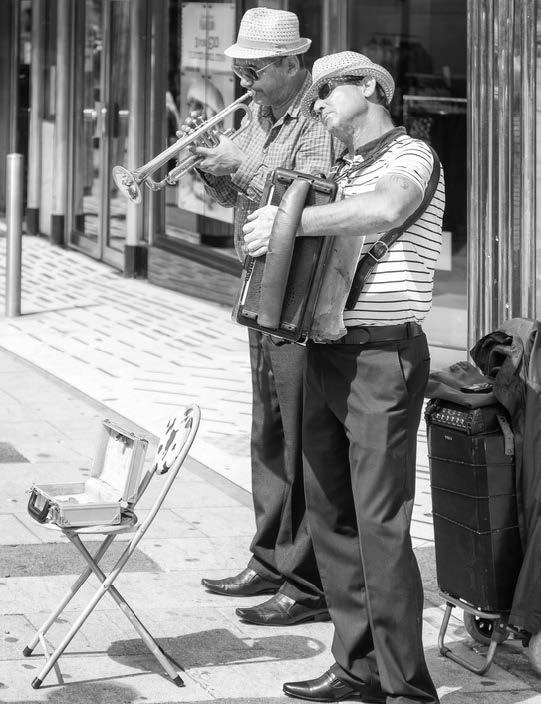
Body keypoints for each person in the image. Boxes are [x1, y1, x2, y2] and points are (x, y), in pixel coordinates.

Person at [243, 51, 444, 703]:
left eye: (328, 90)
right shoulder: (341, 166)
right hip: (325, 348)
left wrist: (290, 221)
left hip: (382, 358)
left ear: (369, 87)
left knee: (380, 524)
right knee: (331, 516)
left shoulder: (410, 156)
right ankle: (357, 667)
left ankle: (406, 687)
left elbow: (386, 208)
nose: (318, 102)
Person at [190, 7, 337, 627]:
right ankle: (269, 557)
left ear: (289, 64)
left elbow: (314, 189)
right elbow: (242, 194)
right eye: (241, 67)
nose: (244, 78)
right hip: (258, 286)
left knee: (304, 435)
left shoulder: (320, 114)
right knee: (268, 430)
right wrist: (207, 167)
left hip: (299, 294)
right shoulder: (255, 113)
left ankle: (306, 581)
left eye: (254, 68)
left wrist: (239, 168)